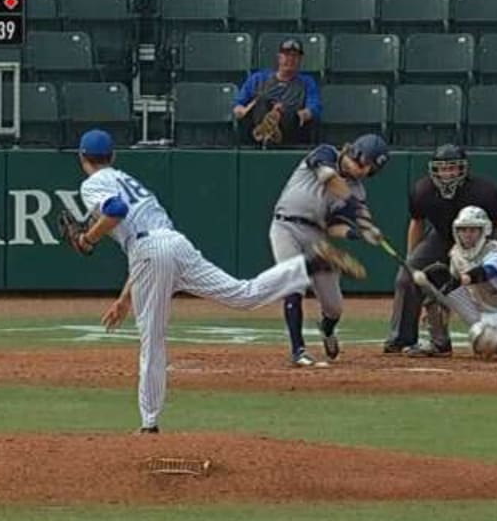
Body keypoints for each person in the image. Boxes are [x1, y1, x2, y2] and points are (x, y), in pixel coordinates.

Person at [65, 129, 366, 434]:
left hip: (148, 251)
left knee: (152, 342)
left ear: (82, 158)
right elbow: (147, 239)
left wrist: (88, 238)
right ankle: (307, 265)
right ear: (113, 156)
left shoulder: (92, 183)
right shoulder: (127, 179)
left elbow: (116, 211)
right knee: (243, 294)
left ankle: (149, 424)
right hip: (173, 243)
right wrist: (125, 298)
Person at [383, 143, 497, 357]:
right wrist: (411, 260)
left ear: (462, 169)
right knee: (413, 279)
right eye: (442, 168)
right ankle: (414, 339)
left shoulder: (484, 191)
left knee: (495, 280)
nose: (447, 173)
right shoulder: (423, 190)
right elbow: (417, 222)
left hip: (481, 238)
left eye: (452, 168)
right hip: (442, 235)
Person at [270, 134, 389, 367]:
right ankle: (298, 350)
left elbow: (334, 226)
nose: (364, 172)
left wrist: (360, 233)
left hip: (317, 237)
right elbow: (329, 178)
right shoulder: (326, 154)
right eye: (364, 164)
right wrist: (357, 210)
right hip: (285, 227)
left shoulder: (357, 190)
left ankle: (327, 329)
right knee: (293, 284)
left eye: (370, 169)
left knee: (334, 306)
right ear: (355, 152)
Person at [410, 206, 497, 361]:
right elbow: (451, 287)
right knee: (439, 280)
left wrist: (464, 278)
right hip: (483, 311)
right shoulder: (456, 254)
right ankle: (439, 342)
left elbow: (486, 272)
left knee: (482, 335)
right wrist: (437, 303)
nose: (467, 234)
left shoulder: (496, 252)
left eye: (473, 230)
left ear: (484, 231)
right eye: (463, 230)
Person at [232, 37, 321, 147]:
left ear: (300, 59)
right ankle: (265, 136)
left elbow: (314, 108)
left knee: (288, 112)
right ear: (279, 58)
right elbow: (239, 104)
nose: (291, 59)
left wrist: (299, 114)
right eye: (287, 55)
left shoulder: (307, 82)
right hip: (257, 129)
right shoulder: (258, 78)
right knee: (262, 101)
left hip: (289, 129)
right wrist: (242, 111)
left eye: (295, 56)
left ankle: (274, 136)